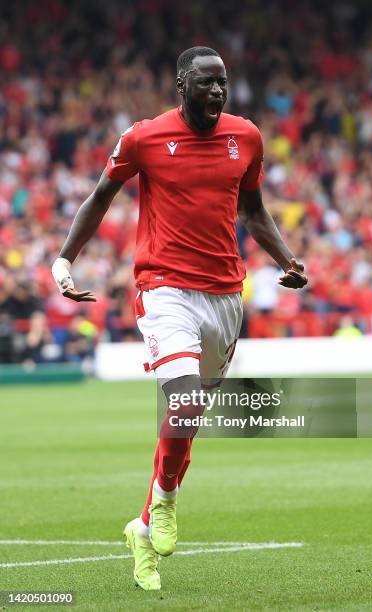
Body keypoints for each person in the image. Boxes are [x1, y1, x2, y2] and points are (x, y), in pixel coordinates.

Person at [51, 46, 308, 591]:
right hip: (163, 288)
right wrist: (64, 259)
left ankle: (143, 526)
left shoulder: (247, 137)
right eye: (207, 83)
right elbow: (101, 195)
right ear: (181, 85)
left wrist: (286, 260)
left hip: (224, 295)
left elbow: (254, 208)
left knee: (187, 424)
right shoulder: (144, 137)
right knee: (184, 398)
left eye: (224, 83)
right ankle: (165, 504)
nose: (217, 92)